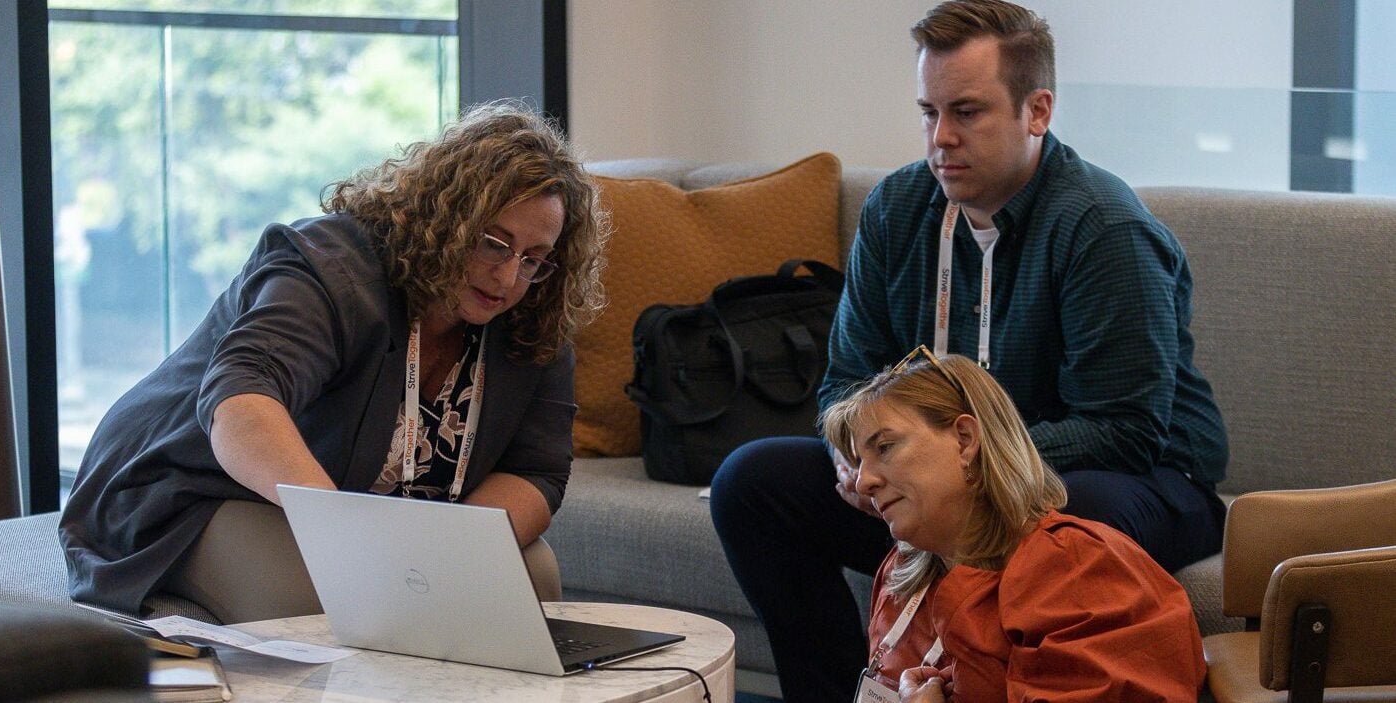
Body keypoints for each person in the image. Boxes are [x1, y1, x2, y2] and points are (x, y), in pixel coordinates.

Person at [709, 2, 1227, 700]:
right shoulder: (896, 211)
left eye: (967, 112)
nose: (940, 138)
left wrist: (961, 470)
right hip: (947, 483)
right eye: (929, 112)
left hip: (1137, 480)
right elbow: (844, 386)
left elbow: (1124, 429)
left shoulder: (1102, 228)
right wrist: (857, 456)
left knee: (1072, 522)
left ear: (1036, 111)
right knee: (752, 482)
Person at [59, 102, 609, 616]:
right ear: (450, 218)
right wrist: (347, 539)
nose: (510, 276)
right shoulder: (332, 268)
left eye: (534, 258)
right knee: (334, 603)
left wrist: (445, 553)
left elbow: (534, 470)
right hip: (191, 486)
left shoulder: (532, 311)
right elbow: (244, 394)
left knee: (531, 575)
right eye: (494, 242)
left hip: (376, 520)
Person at [820, 349, 1206, 702]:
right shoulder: (901, 572)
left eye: (884, 447)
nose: (862, 482)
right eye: (860, 462)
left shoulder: (1079, 569)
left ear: (965, 440)